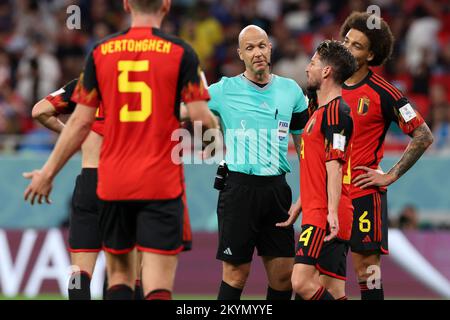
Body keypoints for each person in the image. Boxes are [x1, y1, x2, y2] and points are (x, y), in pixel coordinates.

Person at [23, 0, 219, 300]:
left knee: (112, 277)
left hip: (108, 181)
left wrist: (48, 172)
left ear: (126, 5)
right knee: (154, 281)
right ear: (166, 5)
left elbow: (73, 121)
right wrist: (212, 136)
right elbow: (201, 118)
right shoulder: (181, 53)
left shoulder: (101, 54)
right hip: (158, 182)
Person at [208, 25, 308, 300]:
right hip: (239, 189)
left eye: (262, 46)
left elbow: (305, 149)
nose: (257, 53)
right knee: (236, 275)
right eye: (250, 48)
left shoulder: (292, 92)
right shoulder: (223, 89)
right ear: (240, 54)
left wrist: (309, 194)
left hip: (277, 190)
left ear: (270, 48)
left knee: (283, 277)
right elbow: (187, 107)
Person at [340, 11, 434, 300]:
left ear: (371, 55)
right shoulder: (324, 86)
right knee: (313, 276)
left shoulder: (385, 93)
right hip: (329, 195)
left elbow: (423, 134)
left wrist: (390, 174)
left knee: (367, 272)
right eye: (346, 40)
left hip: (363, 193)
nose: (346, 47)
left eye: (357, 45)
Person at [290, 40, 357, 300]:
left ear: (327, 71)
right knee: (332, 290)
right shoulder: (319, 112)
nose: (308, 68)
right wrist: (301, 202)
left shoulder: (337, 112)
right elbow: (316, 167)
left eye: (313, 62)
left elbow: (335, 166)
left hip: (325, 215)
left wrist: (330, 212)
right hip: (320, 209)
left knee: (301, 282)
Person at [31, 79, 106, 300]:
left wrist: (73, 138)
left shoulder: (87, 83)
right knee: (123, 270)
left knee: (78, 272)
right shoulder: (139, 86)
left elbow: (39, 111)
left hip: (88, 181)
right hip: (122, 182)